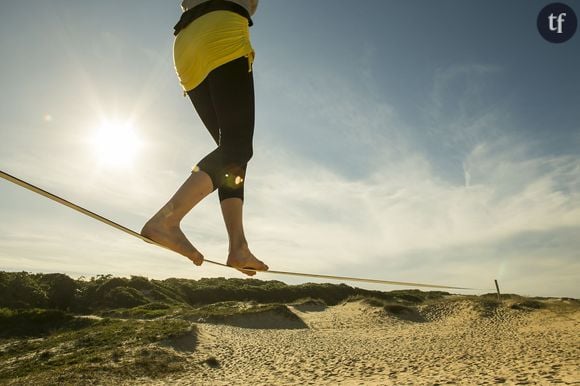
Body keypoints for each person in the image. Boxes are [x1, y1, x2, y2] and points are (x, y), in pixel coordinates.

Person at [141, 0, 268, 276]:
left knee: (232, 155)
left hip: (186, 45)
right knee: (236, 147)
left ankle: (238, 247)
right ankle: (167, 221)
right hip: (220, 30)